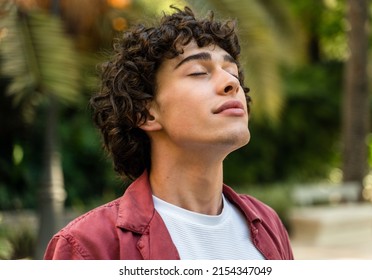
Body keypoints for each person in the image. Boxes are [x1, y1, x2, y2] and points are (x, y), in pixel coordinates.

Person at [44, 6, 294, 260]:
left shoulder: (267, 223)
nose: (232, 83)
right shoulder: (91, 246)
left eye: (233, 73)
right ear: (146, 113)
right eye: (199, 72)